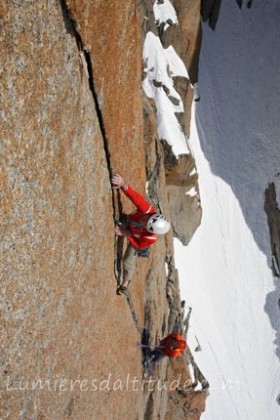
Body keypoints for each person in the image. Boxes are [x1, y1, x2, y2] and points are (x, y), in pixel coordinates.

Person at [112, 174, 171, 295]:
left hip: (137, 240)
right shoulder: (147, 210)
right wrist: (123, 184)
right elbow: (135, 197)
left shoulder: (150, 238)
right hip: (130, 223)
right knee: (127, 221)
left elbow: (139, 246)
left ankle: (125, 281)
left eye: (147, 225)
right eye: (147, 219)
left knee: (128, 260)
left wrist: (127, 234)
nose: (144, 222)